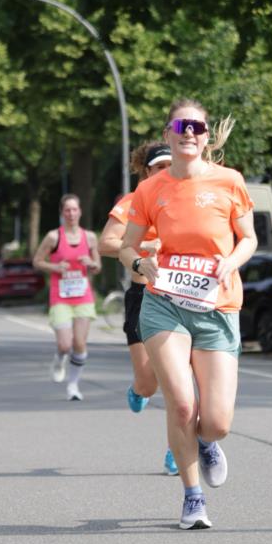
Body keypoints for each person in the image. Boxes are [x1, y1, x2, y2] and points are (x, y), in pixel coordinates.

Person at [120, 100, 257, 530]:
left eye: (197, 126)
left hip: (217, 306)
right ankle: (192, 497)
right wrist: (141, 265)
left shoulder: (229, 181)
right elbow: (126, 247)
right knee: (181, 404)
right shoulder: (150, 189)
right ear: (168, 133)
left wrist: (231, 262)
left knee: (216, 422)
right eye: (182, 125)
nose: (190, 132)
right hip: (164, 304)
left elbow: (249, 237)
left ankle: (206, 441)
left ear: (205, 133)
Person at [99, 141, 179, 476]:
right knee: (150, 382)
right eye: (158, 167)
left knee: (179, 380)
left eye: (168, 166)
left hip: (179, 297)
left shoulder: (185, 201)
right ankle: (138, 390)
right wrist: (145, 245)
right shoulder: (133, 202)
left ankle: (178, 448)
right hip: (141, 295)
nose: (164, 172)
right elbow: (105, 243)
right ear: (146, 172)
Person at [33, 194, 101, 401]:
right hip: (60, 296)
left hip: (83, 295)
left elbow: (97, 267)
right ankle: (60, 357)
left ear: (80, 211)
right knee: (65, 344)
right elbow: (37, 260)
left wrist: (91, 262)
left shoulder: (89, 237)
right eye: (67, 210)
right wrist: (55, 267)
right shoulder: (54, 237)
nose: (71, 214)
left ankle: (73, 385)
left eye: (74, 209)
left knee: (79, 343)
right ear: (62, 213)